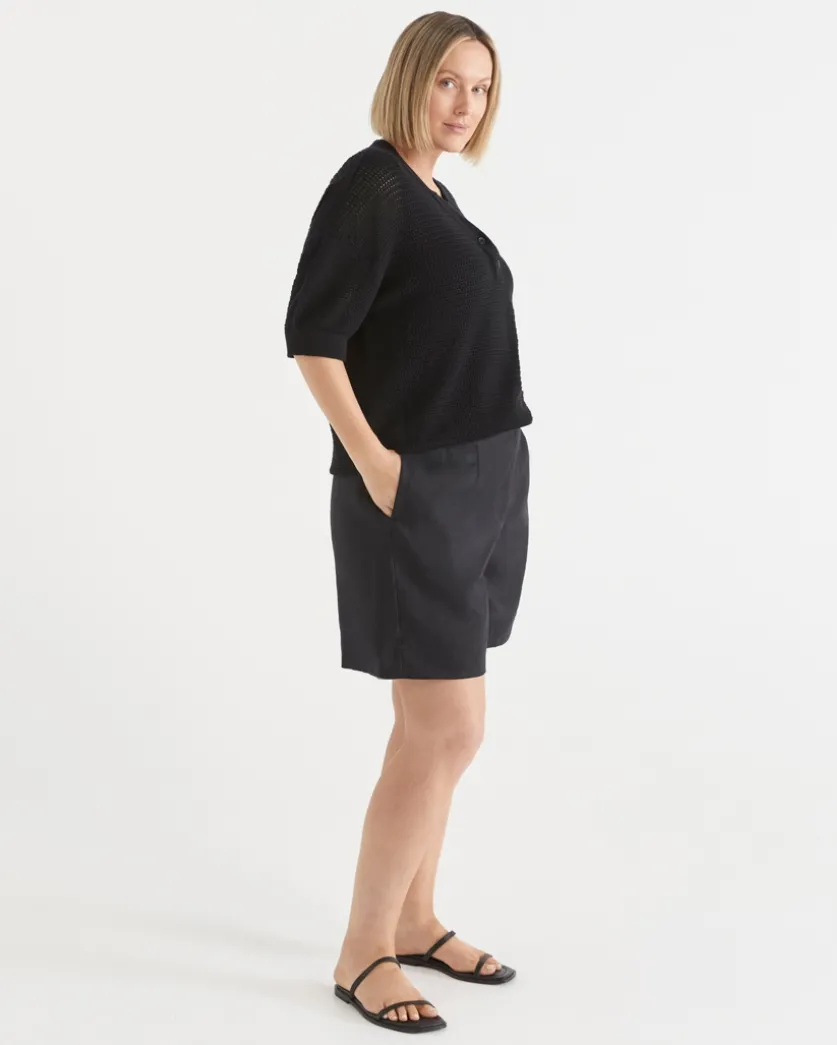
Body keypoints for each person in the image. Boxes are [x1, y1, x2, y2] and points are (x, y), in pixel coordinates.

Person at [284, 12, 532, 1034]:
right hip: (417, 485)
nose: (464, 104)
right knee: (446, 726)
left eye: (480, 87)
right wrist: (381, 468)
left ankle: (417, 917)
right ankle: (363, 951)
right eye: (446, 83)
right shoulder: (374, 186)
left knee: (437, 731)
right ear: (409, 80)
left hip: (482, 479)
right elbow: (313, 336)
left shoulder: (434, 195)